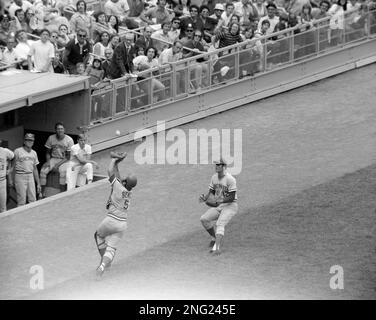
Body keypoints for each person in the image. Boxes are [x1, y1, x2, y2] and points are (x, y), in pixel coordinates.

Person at [94, 151, 137, 278]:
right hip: (122, 225)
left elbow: (109, 172)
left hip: (111, 220)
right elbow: (118, 176)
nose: (123, 178)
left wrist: (114, 159)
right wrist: (119, 161)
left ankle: (103, 260)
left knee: (98, 236)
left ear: (126, 182)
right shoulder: (129, 192)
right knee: (111, 248)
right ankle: (103, 266)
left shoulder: (118, 187)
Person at [199, 157, 238, 255]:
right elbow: (211, 191)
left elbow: (232, 197)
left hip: (230, 206)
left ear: (224, 166)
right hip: (219, 205)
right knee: (204, 219)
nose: (216, 166)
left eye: (218, 165)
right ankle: (214, 238)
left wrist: (220, 200)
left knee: (220, 224)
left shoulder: (230, 179)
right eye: (216, 165)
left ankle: (217, 248)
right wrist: (205, 198)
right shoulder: (214, 177)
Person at [39, 122, 74, 195]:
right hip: (54, 158)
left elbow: (68, 157)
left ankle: (62, 193)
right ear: (55, 130)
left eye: (61, 129)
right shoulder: (51, 138)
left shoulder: (69, 140)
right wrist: (48, 162)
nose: (60, 130)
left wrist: (57, 165)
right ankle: (41, 193)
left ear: (64, 130)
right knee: (43, 171)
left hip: (64, 160)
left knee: (62, 173)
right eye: (58, 129)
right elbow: (48, 152)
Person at [12, 133, 41, 207]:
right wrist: (10, 179)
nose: (29, 142)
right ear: (24, 141)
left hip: (30, 175)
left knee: (33, 199)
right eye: (27, 140)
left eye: (31, 140)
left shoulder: (34, 153)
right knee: (22, 200)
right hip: (20, 175)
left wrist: (38, 183)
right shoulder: (17, 151)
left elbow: (35, 169)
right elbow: (12, 166)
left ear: (33, 142)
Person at [0, 139, 14, 213]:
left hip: (2, 181)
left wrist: (11, 169)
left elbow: (14, 157)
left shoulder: (5, 151)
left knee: (3, 208)